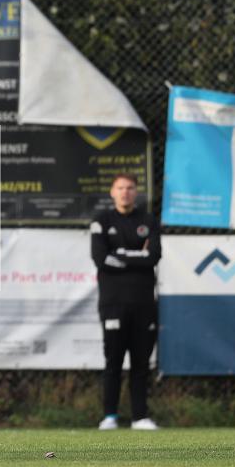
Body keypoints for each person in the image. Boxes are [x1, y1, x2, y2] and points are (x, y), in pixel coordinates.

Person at [90, 173, 161, 431]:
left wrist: (120, 254)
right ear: (112, 191)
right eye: (120, 188)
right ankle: (110, 416)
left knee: (141, 364)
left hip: (144, 304)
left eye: (130, 188)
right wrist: (136, 255)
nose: (125, 193)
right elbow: (100, 258)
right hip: (113, 303)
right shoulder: (101, 221)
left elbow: (153, 257)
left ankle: (140, 417)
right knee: (113, 362)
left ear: (136, 192)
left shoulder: (148, 220)